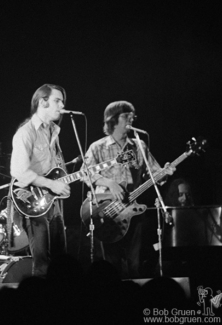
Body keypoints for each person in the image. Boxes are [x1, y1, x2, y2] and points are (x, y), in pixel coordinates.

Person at [81, 100, 175, 278]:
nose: (131, 118)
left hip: (133, 212)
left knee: (135, 262)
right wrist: (109, 183)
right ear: (112, 119)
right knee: (111, 263)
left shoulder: (139, 146)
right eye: (126, 115)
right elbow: (84, 174)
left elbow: (154, 174)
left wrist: (166, 172)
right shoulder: (98, 147)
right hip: (108, 213)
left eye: (133, 116)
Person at [10, 83, 70, 277]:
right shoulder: (26, 132)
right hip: (31, 200)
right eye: (57, 101)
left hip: (52, 201)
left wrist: (63, 183)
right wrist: (52, 184)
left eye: (62, 101)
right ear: (43, 102)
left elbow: (54, 168)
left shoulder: (53, 132)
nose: (62, 105)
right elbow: (19, 171)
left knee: (60, 258)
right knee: (42, 261)